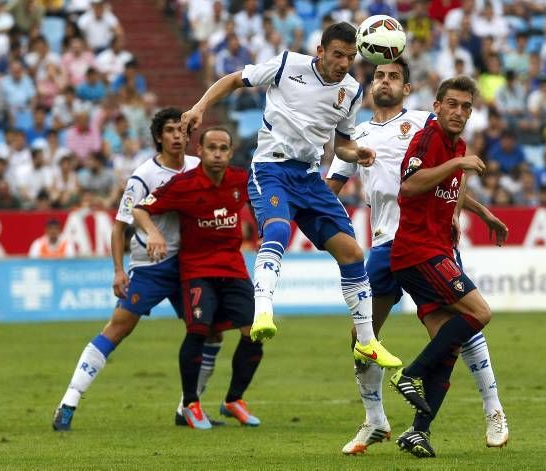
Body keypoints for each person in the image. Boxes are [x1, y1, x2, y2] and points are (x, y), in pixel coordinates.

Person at [180, 22, 401, 368]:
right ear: (321, 52)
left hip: (310, 178)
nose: (344, 63)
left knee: (353, 251)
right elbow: (235, 79)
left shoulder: (352, 91)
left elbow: (342, 145)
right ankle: (263, 311)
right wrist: (199, 107)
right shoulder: (287, 65)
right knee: (279, 231)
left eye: (350, 56)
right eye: (338, 55)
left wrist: (356, 153)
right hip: (271, 168)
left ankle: (367, 341)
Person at [326, 61, 509, 455]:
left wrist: (468, 212)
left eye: (393, 76)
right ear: (370, 84)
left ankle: (493, 410)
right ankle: (375, 420)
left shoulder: (428, 122)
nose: (385, 82)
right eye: (379, 76)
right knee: (362, 338)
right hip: (384, 244)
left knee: (455, 333)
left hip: (428, 242)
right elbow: (331, 189)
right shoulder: (356, 136)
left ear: (408, 88)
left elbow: (447, 181)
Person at [51, 108, 201, 431]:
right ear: (159, 137)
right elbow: (120, 227)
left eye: (182, 130)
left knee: (208, 329)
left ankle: (187, 407)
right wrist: (119, 271)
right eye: (171, 130)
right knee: (118, 328)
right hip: (150, 267)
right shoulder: (143, 176)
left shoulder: (199, 169)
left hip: (189, 264)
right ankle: (69, 402)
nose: (178, 136)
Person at [387, 76, 506, 458]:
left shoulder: (457, 146)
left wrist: (483, 213)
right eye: (452, 104)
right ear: (436, 106)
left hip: (429, 251)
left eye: (466, 106)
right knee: (480, 312)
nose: (459, 112)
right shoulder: (429, 138)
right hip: (419, 252)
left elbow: (451, 187)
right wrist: (457, 161)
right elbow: (409, 185)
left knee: (449, 348)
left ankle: (418, 432)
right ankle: (410, 375)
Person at [132, 127, 263, 430]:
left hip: (233, 269)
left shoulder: (240, 180)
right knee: (199, 332)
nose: (217, 153)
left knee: (254, 332)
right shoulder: (183, 185)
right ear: (200, 151)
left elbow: (264, 200)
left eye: (223, 148)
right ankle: (190, 404)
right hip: (197, 271)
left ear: (230, 153)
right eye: (212, 148)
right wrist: (152, 232)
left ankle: (233, 400)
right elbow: (140, 209)